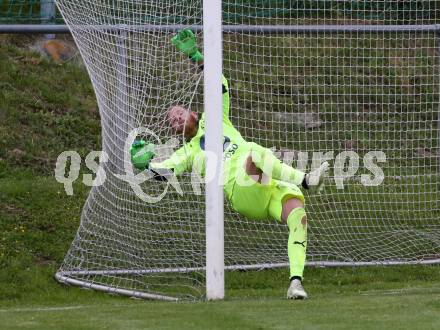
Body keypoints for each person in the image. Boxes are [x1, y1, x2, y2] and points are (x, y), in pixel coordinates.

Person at [130, 29, 329, 299]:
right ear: (175, 133)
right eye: (172, 122)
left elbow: (219, 83)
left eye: (178, 113)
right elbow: (164, 172)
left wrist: (196, 56)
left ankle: (295, 283)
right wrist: (144, 164)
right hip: (241, 190)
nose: (175, 120)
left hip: (269, 183)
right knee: (256, 153)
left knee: (299, 218)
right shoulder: (187, 153)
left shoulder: (216, 118)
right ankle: (306, 180)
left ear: (192, 111)